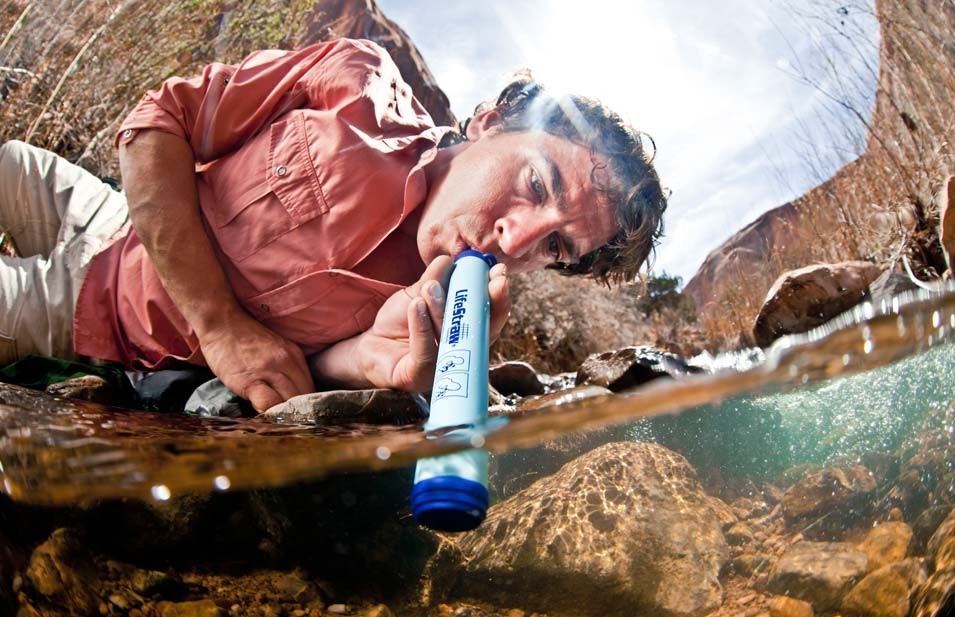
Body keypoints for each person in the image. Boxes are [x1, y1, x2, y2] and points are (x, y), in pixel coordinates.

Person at [0, 38, 667, 412]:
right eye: (534, 185)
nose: (516, 242)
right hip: (108, 211)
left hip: (90, 313)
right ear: (491, 121)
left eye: (555, 246)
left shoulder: (439, 313)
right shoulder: (356, 78)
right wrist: (222, 327)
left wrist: (378, 366)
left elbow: (309, 368)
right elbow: (157, 124)